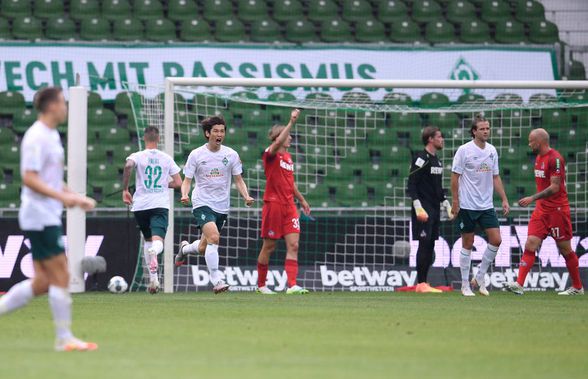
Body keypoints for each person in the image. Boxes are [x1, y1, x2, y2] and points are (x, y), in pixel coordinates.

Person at [0, 87, 98, 351]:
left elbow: (51, 178)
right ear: (52, 106)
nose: (65, 108)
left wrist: (75, 196)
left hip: (46, 214)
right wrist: (63, 198)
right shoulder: (36, 137)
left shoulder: (52, 135)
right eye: (63, 103)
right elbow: (29, 178)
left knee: (43, 282)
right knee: (61, 275)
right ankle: (64, 338)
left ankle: (64, 338)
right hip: (40, 215)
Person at [174, 116, 254, 293]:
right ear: (207, 133)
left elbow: (238, 180)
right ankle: (217, 280)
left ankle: (185, 249)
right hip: (202, 202)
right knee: (215, 238)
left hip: (222, 206)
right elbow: (187, 180)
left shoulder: (231, 155)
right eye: (216, 131)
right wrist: (185, 194)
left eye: (222, 131)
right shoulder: (196, 155)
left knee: (204, 248)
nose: (220, 134)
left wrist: (246, 196)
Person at [504, 128, 584, 295]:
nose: (529, 144)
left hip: (557, 211)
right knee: (530, 244)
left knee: (565, 250)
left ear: (539, 142)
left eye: (531, 141)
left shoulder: (555, 159)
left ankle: (577, 287)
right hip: (541, 211)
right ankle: (519, 284)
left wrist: (532, 198)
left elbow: (555, 187)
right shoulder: (538, 157)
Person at [451, 114, 510, 297]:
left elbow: (496, 176)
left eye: (487, 128)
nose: (486, 131)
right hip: (467, 205)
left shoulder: (492, 150)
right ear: (474, 131)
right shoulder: (464, 150)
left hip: (486, 205)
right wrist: (455, 201)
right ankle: (464, 285)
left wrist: (504, 199)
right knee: (468, 244)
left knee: (497, 240)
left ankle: (480, 276)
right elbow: (455, 177)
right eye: (482, 129)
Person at [256, 109, 311, 295]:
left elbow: (290, 182)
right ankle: (261, 285)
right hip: (273, 205)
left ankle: (292, 285)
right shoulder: (269, 154)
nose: (291, 138)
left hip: (289, 207)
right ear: (279, 136)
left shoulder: (288, 158)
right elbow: (278, 142)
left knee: (294, 245)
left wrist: (302, 200)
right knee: (269, 246)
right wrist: (291, 121)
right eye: (288, 135)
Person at [122, 126, 182, 294]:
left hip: (140, 205)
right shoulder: (166, 158)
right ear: (159, 139)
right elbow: (178, 183)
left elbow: (128, 166)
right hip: (159, 205)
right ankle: (155, 251)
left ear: (144, 138)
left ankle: (154, 280)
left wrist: (125, 189)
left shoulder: (137, 156)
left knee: (148, 240)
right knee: (157, 242)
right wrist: (164, 183)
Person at [407, 126, 454, 293]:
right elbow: (411, 185)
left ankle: (424, 283)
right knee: (424, 244)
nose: (442, 140)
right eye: (439, 137)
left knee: (430, 245)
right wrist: (418, 208)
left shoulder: (437, 161)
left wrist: (447, 205)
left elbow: (438, 189)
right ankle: (421, 283)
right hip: (423, 210)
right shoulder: (421, 158)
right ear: (430, 139)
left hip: (434, 210)